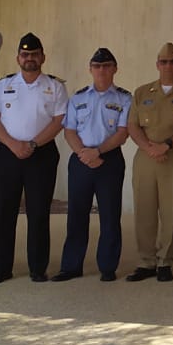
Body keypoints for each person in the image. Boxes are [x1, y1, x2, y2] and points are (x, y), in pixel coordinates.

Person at [0, 33, 67, 284]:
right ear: (18, 58)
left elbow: (59, 121)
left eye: (34, 54)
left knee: (39, 212)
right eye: (24, 54)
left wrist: (32, 144)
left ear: (42, 57)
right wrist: (13, 145)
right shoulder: (3, 85)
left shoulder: (55, 86)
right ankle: (0, 268)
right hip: (7, 154)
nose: (29, 58)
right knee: (3, 212)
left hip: (41, 154)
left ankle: (37, 268)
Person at [53, 47, 132, 282]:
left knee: (110, 215)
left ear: (115, 69)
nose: (102, 70)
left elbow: (122, 133)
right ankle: (71, 266)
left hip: (109, 160)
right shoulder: (78, 98)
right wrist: (84, 154)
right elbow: (69, 131)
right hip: (80, 160)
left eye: (107, 66)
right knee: (77, 214)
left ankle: (108, 266)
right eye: (97, 66)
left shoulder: (125, 99)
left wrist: (97, 152)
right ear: (90, 69)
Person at [125, 42, 173, 282]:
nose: (168, 66)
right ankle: (146, 261)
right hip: (146, 157)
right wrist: (149, 148)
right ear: (157, 64)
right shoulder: (142, 92)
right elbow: (132, 125)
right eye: (164, 62)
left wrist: (167, 145)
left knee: (171, 211)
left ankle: (165, 261)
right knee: (144, 210)